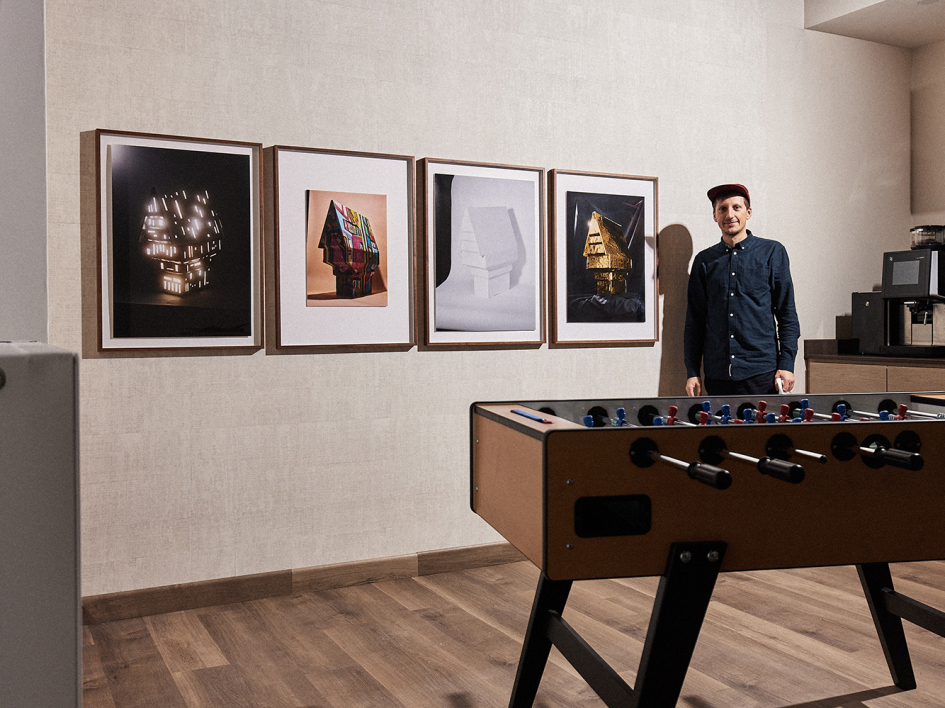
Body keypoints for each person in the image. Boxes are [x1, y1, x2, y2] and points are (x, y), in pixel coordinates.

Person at [684, 183, 799, 397]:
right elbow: (695, 322)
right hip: (717, 375)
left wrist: (787, 364)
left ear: (748, 212)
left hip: (763, 374)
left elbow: (787, 314)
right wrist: (692, 371)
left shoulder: (772, 252)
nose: (730, 214)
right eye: (723, 209)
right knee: (721, 431)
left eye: (736, 207)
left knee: (762, 431)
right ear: (714, 215)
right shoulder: (704, 261)